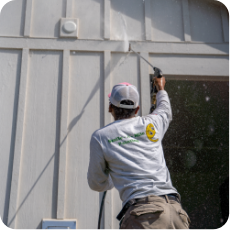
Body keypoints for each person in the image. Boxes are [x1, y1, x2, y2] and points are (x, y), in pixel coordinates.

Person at [87, 77, 191, 229]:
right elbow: (165, 110)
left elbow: (96, 183)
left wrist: (114, 177)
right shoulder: (152, 123)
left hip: (143, 216)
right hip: (175, 212)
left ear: (111, 107)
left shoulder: (101, 137)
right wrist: (160, 88)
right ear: (136, 109)